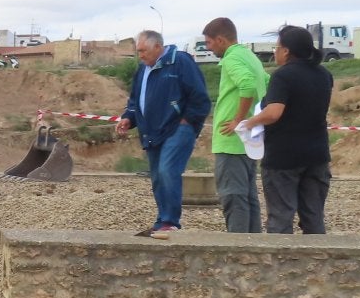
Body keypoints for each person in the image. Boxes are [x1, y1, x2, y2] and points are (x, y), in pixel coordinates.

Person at [236, 25, 334, 234]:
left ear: (286, 51)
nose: (275, 52)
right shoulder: (324, 74)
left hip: (283, 156)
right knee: (314, 218)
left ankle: (281, 256)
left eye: (277, 47)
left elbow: (274, 113)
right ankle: (318, 253)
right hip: (317, 154)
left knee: (281, 218)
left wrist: (250, 122)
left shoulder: (283, 76)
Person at [114, 30, 211, 238]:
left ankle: (170, 221)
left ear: (158, 47)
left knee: (168, 169)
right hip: (152, 131)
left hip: (178, 127)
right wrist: (128, 118)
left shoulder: (181, 62)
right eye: (138, 51)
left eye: (143, 50)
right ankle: (162, 220)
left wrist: (187, 121)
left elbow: (200, 97)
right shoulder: (142, 69)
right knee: (158, 176)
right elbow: (135, 100)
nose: (140, 55)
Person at [203, 17, 268, 232]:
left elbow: (247, 85)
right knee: (248, 196)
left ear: (220, 40)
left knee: (233, 195)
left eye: (209, 42)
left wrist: (238, 119)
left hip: (231, 140)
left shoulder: (231, 58)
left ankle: (237, 245)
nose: (208, 48)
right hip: (248, 139)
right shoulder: (250, 56)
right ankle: (253, 243)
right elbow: (266, 82)